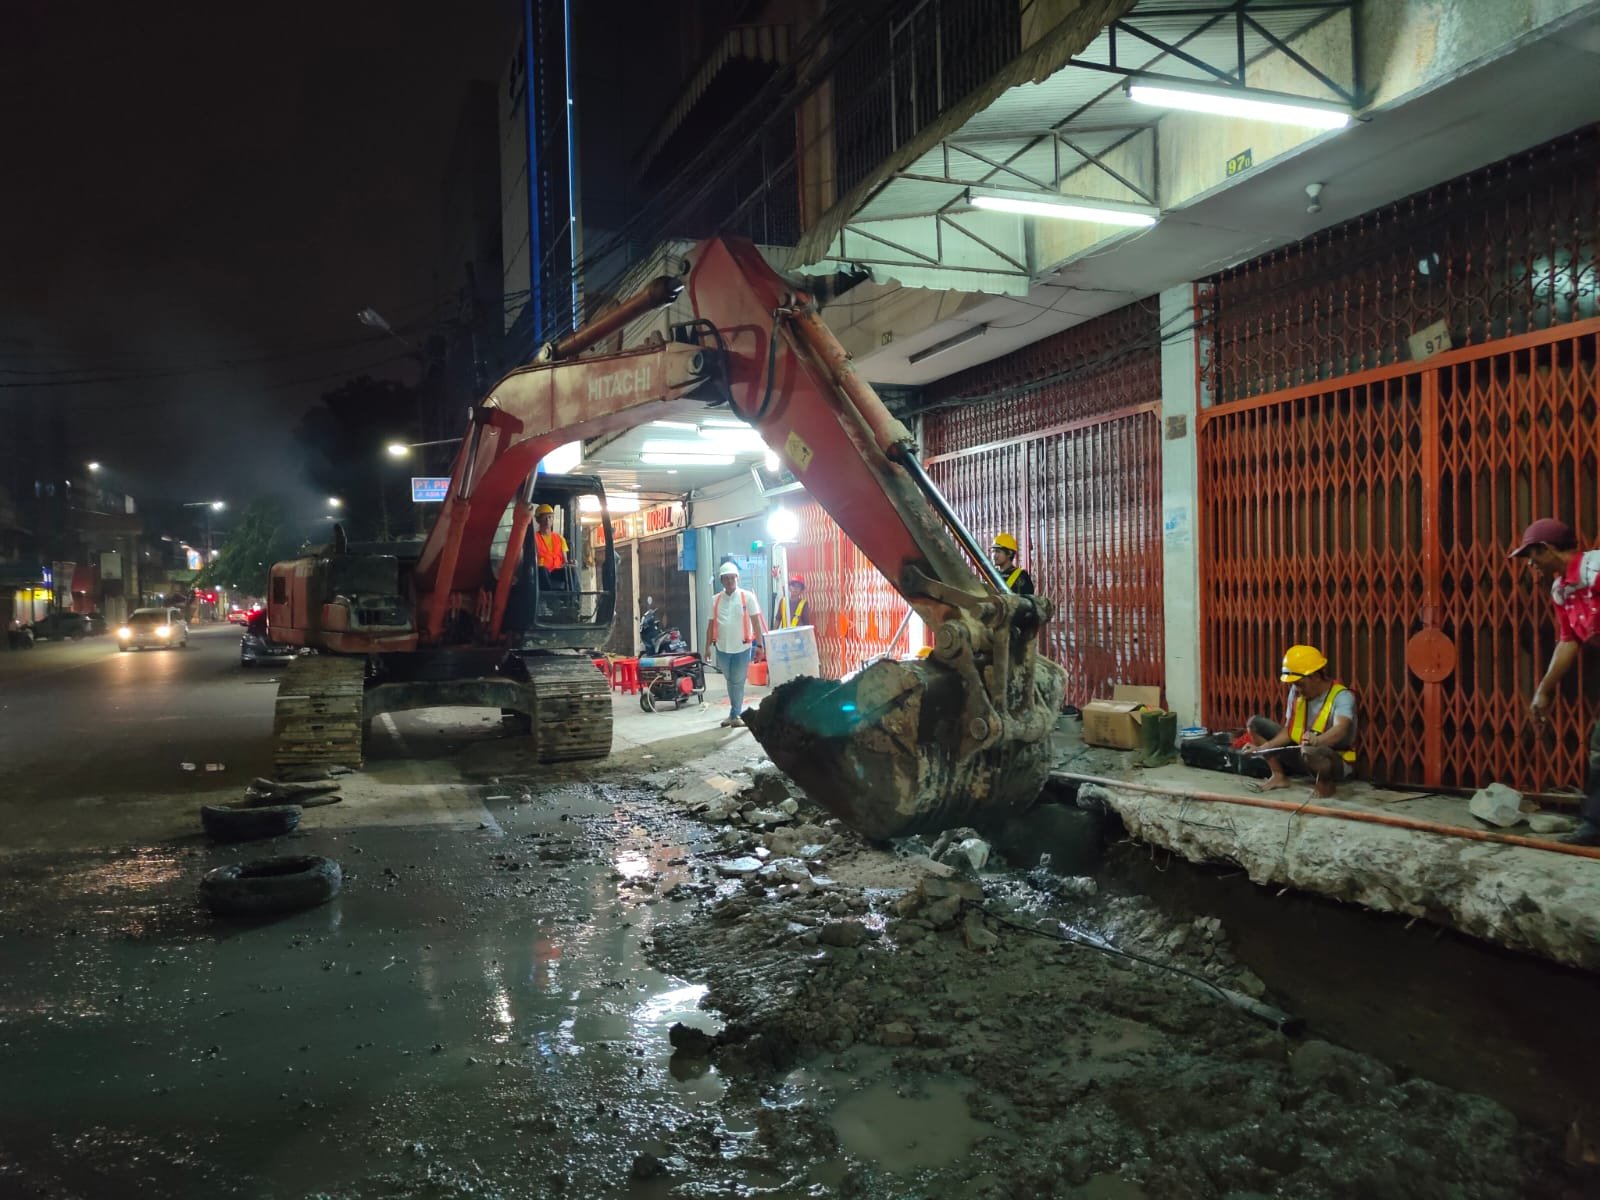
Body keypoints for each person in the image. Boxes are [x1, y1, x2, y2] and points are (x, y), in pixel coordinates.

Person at [1511, 517, 1600, 846]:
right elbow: (1568, 641)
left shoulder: (1595, 569)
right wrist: (1543, 692)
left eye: (1532, 556)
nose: (1530, 564)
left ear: (1546, 549)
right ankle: (1594, 827)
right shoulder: (1561, 588)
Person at [1244, 644, 1358, 797]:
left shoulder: (1342, 697)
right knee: (1255, 724)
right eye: (1293, 684)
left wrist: (1318, 740)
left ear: (1315, 677)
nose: (1295, 688)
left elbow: (1341, 728)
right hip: (1302, 754)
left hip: (1332, 761)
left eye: (1299, 683)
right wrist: (1263, 748)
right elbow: (1288, 731)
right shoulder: (1297, 693)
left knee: (1310, 750)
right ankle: (1278, 776)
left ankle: (1325, 785)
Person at [704, 561, 766, 728]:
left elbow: (756, 623)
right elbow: (711, 625)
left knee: (737, 681)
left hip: (742, 647)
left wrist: (760, 645)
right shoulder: (715, 600)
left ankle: (735, 713)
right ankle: (734, 713)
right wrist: (707, 648)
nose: (730, 581)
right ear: (722, 581)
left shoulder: (748, 597)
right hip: (722, 648)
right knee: (730, 680)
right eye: (726, 578)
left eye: (732, 578)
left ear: (737, 578)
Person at [532, 504, 569, 589]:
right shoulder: (533, 538)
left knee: (570, 572)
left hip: (556, 571)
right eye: (544, 517)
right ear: (538, 520)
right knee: (542, 570)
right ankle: (550, 597)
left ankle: (574, 598)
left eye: (550, 517)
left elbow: (565, 561)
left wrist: (569, 564)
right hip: (541, 572)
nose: (547, 520)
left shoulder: (559, 538)